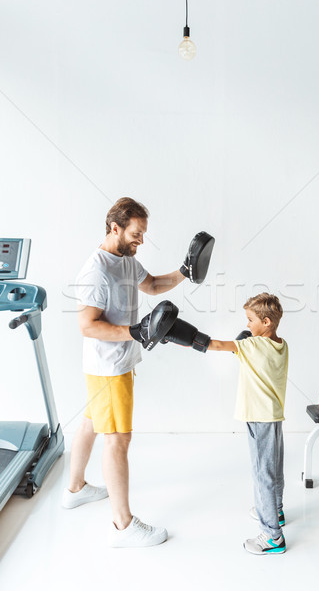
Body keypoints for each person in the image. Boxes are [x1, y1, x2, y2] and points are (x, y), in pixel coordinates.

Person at [62, 197, 214, 548]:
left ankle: (75, 489)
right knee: (118, 439)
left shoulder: (126, 260)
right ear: (114, 227)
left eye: (143, 233)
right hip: (109, 367)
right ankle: (123, 525)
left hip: (114, 362)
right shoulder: (96, 270)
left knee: (90, 420)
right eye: (136, 233)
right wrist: (135, 332)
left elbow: (153, 285)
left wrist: (184, 272)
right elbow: (87, 326)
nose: (141, 240)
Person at [150, 292, 288, 554]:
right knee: (274, 469)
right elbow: (250, 352)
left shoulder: (253, 347)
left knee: (263, 475)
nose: (247, 325)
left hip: (258, 418)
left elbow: (213, 345)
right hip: (273, 416)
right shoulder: (280, 345)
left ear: (266, 322)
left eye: (250, 320)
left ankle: (272, 537)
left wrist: (174, 333)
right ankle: (276, 511)